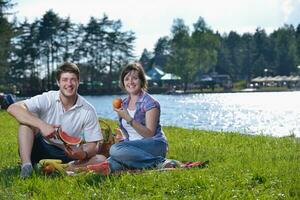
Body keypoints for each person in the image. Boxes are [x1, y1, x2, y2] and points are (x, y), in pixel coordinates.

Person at [7, 62, 105, 178]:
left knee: (100, 159)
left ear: (78, 82)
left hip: (68, 153)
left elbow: (93, 146)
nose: (69, 84)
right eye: (65, 80)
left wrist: (82, 153)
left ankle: (64, 168)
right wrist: (42, 125)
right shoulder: (48, 98)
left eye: (73, 80)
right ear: (58, 82)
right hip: (40, 147)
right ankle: (26, 165)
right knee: (26, 124)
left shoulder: (88, 109)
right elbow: (13, 108)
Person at [91, 62, 168, 175]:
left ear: (141, 81)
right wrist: (121, 138)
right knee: (110, 163)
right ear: (123, 82)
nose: (130, 82)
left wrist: (129, 119)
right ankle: (140, 163)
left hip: (154, 145)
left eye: (135, 78)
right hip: (133, 148)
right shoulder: (123, 104)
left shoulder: (151, 103)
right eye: (127, 79)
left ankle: (160, 162)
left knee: (114, 150)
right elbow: (129, 134)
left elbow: (149, 134)